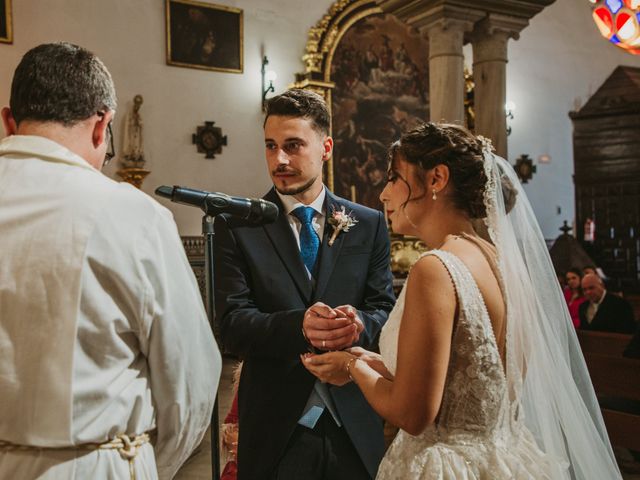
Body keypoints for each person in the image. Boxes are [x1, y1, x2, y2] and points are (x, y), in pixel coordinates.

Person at [303, 122, 622, 479]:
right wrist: (377, 363)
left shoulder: (436, 268)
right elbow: (472, 381)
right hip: (503, 457)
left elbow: (413, 414)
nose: (383, 194)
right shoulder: (499, 262)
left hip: (446, 463)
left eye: (394, 178)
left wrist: (351, 367)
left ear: (436, 179)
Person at [0, 42, 221, 480]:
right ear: (102, 125)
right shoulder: (133, 215)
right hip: (96, 464)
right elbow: (191, 381)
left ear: (9, 122)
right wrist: (138, 462)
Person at [213, 88, 395, 480]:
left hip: (356, 420)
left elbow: (385, 309)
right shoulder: (237, 226)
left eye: (293, 146)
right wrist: (299, 325)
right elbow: (230, 326)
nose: (279, 159)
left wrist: (361, 322)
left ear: (325, 147)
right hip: (276, 428)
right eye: (270, 146)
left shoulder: (368, 224)